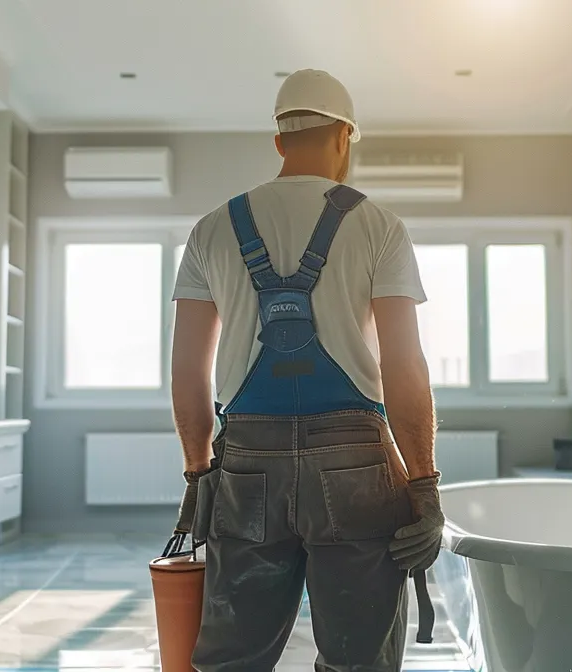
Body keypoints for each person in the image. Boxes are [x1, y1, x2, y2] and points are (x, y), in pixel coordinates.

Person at [168, 69, 442, 672]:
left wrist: (197, 474)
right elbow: (404, 364)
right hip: (357, 469)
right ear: (344, 136)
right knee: (358, 661)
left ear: (279, 141)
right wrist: (423, 482)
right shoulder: (379, 227)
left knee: (231, 661)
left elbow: (188, 368)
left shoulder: (211, 230)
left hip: (246, 466)